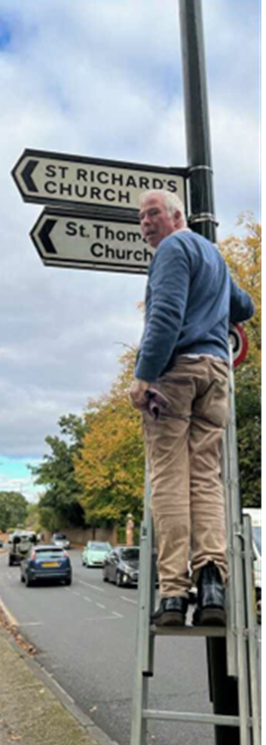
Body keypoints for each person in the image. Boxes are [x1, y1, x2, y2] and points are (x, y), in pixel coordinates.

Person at [129, 189, 255, 627]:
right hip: (216, 374)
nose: (145, 223)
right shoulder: (211, 254)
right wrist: (215, 295)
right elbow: (246, 306)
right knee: (205, 477)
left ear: (177, 216)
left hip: (177, 373)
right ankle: (212, 583)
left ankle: (173, 594)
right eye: (141, 217)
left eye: (152, 214)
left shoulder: (171, 249)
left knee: (169, 477)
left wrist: (144, 375)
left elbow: (165, 314)